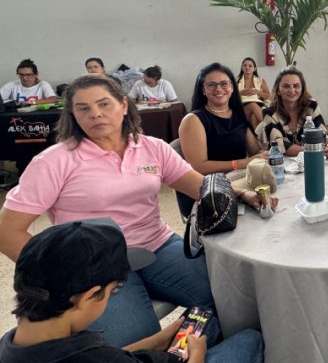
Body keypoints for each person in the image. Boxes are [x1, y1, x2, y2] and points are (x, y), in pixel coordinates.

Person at [0, 74, 268, 347]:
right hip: (96, 266)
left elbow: (200, 187)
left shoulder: (151, 147)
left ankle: (190, 351)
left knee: (235, 302)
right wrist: (62, 273)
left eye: (104, 104)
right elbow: (7, 232)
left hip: (158, 245)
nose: (95, 114)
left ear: (124, 105)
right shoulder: (54, 161)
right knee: (137, 344)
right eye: (83, 108)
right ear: (73, 115)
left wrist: (242, 194)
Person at [0, 218, 264, 363]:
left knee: (205, 323)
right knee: (251, 339)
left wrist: (159, 339)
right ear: (89, 296)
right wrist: (197, 355)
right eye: (114, 289)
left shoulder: (14, 343)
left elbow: (108, 352)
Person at [178, 63, 267, 218]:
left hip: (237, 180)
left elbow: (255, 151)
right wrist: (243, 163)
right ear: (203, 90)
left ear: (231, 87)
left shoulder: (237, 114)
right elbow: (199, 167)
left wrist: (264, 153)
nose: (218, 89)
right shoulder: (193, 120)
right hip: (208, 190)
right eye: (211, 85)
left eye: (224, 84)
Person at [258, 67, 328, 159]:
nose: (292, 90)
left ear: (302, 88)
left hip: (310, 159)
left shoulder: (311, 106)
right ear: (278, 90)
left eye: (296, 86)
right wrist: (314, 151)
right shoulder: (269, 112)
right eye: (286, 86)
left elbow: (323, 132)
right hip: (281, 162)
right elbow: (279, 144)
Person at [236, 57, 271, 128]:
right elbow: (229, 97)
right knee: (252, 105)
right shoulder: (235, 81)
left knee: (254, 117)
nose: (247, 67)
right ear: (242, 68)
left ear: (254, 69)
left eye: (250, 66)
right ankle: (271, 127)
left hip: (258, 106)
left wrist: (257, 92)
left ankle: (259, 135)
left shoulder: (261, 81)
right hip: (242, 107)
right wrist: (240, 93)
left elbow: (269, 97)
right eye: (245, 65)